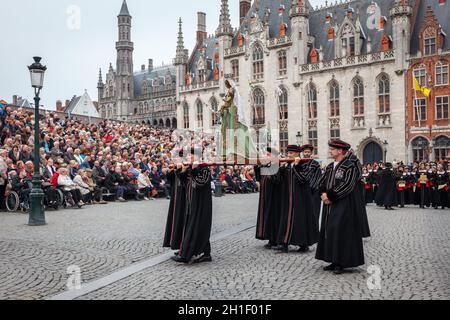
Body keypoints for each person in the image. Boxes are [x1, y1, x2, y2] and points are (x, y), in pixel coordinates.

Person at [316, 139, 365, 274]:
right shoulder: (330, 166)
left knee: (340, 230)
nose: (330, 151)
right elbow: (322, 181)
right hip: (329, 204)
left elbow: (348, 185)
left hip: (343, 204)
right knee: (329, 230)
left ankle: (341, 262)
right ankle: (333, 259)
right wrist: (323, 194)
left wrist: (330, 196)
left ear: (340, 151)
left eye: (332, 149)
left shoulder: (349, 166)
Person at [276, 145, 319, 253]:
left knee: (300, 220)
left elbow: (304, 179)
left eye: (290, 153)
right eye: (288, 153)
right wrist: (280, 168)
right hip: (288, 198)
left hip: (300, 198)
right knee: (285, 219)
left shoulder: (303, 164)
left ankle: (303, 244)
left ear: (296, 154)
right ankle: (284, 243)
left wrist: (296, 167)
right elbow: (278, 180)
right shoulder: (287, 166)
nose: (288, 155)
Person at [172, 148, 213, 264]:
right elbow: (184, 183)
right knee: (196, 228)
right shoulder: (191, 168)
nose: (189, 158)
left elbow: (200, 183)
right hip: (191, 203)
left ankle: (187, 254)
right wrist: (183, 171)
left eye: (192, 156)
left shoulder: (205, 169)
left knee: (199, 228)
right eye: (189, 156)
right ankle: (204, 253)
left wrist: (194, 170)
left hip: (201, 205)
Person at [218, 79, 258, 161]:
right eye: (227, 95)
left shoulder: (235, 106)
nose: (227, 97)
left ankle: (238, 152)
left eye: (229, 95)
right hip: (230, 128)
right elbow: (225, 117)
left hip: (235, 126)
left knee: (238, 136)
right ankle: (230, 152)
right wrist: (223, 112)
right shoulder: (228, 106)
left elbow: (237, 116)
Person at [255, 147, 282, 250]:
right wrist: (257, 166)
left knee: (274, 216)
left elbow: (277, 180)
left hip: (274, 196)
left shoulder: (276, 165)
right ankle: (270, 238)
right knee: (267, 216)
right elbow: (258, 178)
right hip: (265, 196)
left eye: (268, 154)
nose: (266, 156)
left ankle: (275, 239)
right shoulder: (264, 164)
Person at [163, 152, 187, 251]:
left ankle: (182, 246)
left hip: (183, 198)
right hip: (175, 198)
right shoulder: (175, 168)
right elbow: (169, 178)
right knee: (174, 220)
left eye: (178, 159)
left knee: (181, 221)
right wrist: (170, 170)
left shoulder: (186, 168)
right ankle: (175, 244)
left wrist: (180, 168)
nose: (176, 161)